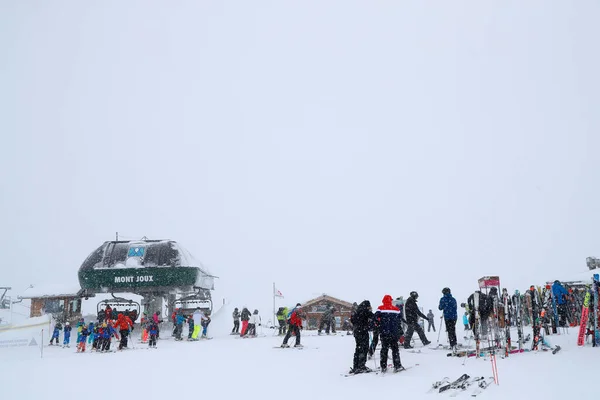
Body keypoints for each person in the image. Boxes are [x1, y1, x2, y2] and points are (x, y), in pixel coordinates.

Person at [375, 295, 404, 373]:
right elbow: (399, 322)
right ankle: (397, 365)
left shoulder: (380, 308)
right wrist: (401, 333)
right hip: (394, 333)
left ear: (383, 301)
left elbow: (375, 319)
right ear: (391, 300)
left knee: (384, 349)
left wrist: (377, 325)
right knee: (395, 349)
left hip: (384, 333)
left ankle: (383, 366)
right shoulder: (396, 309)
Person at [349, 300, 373, 374]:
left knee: (358, 348)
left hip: (357, 332)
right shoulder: (365, 310)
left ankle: (355, 366)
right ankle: (361, 366)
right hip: (363, 331)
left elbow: (352, 320)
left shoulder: (356, 311)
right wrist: (368, 324)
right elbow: (373, 317)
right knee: (364, 348)